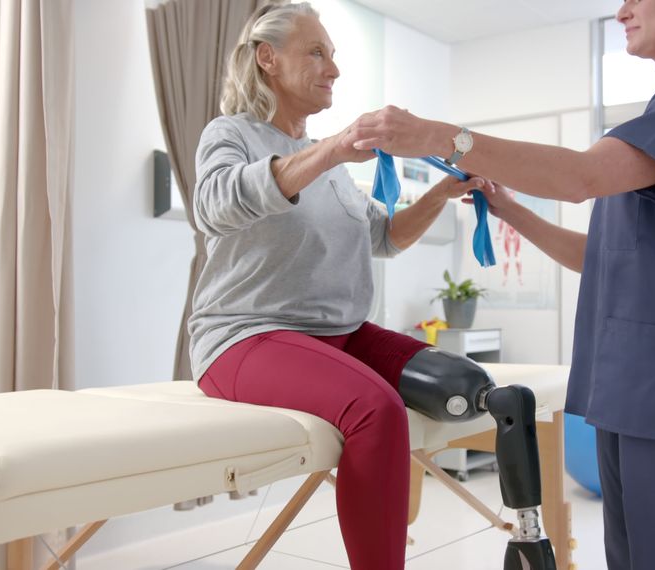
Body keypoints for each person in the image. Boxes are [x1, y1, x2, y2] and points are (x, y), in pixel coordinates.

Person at [347, 0, 655, 568]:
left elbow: (579, 177)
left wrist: (438, 136)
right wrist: (508, 209)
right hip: (630, 388)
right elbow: (601, 258)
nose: (622, 11)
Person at [188, 3, 491, 569]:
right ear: (267, 59)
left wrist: (439, 197)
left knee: (470, 382)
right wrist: (328, 150)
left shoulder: (327, 162)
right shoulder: (229, 135)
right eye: (317, 53)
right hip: (242, 336)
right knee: (376, 409)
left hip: (340, 335)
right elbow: (213, 206)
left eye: (333, 56)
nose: (334, 69)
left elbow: (383, 236)